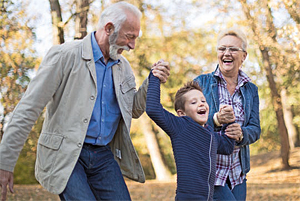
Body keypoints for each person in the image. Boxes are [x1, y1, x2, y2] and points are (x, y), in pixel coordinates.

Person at [0, 2, 170, 201]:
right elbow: (28, 109)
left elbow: (132, 109)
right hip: (67, 154)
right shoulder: (64, 56)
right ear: (108, 28)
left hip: (103, 157)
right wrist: (5, 162)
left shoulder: (123, 67)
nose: (132, 45)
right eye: (129, 37)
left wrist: (151, 81)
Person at [146, 68, 235, 201]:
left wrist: (228, 122)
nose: (201, 104)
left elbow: (227, 147)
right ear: (182, 113)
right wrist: (155, 78)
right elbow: (153, 109)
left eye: (203, 101)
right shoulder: (181, 126)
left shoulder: (210, 133)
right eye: (194, 102)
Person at [194, 28, 261, 201]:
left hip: (238, 173)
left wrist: (242, 134)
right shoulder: (201, 83)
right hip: (211, 172)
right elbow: (187, 123)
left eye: (232, 49)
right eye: (222, 49)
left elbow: (255, 128)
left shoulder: (250, 89)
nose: (226, 53)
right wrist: (215, 119)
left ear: (244, 56)